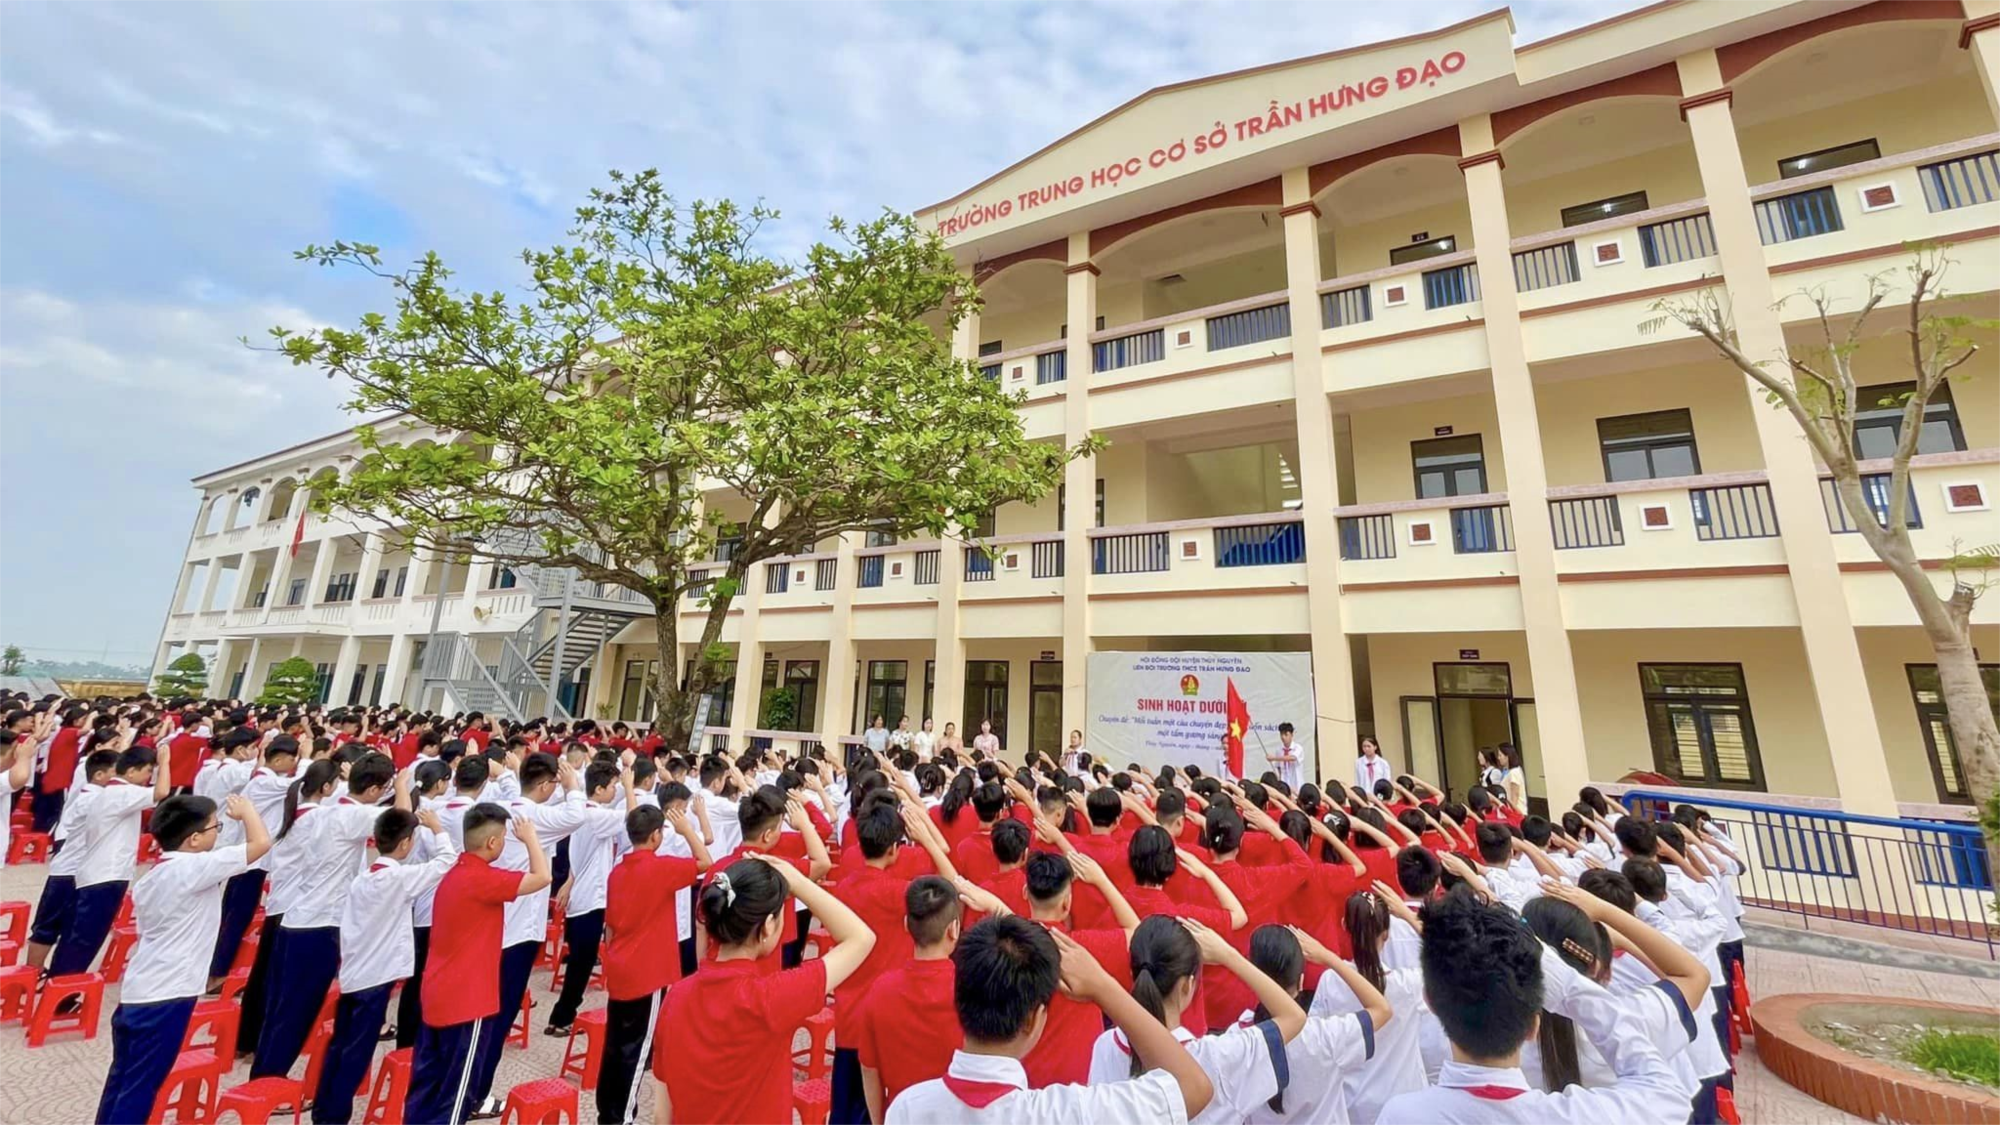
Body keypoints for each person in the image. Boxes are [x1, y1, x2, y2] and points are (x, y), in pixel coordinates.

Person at [1375, 887, 1691, 1125]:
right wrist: (1568, 987)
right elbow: (1667, 1093)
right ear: (1533, 1026)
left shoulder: (1401, 1115)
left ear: (1429, 1000)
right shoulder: (1581, 1116)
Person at [886, 915, 1215, 1123]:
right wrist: (1103, 988)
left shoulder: (908, 1109)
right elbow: (1193, 1087)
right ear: (1033, 1020)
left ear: (959, 1000)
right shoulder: (1067, 1113)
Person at [653, 853, 878, 1125]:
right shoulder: (770, 997)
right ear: (768, 926)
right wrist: (798, 882)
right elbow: (861, 937)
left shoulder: (676, 996)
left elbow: (661, 1115)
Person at [93, 792, 269, 1125]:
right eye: (215, 827)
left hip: (140, 991)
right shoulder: (194, 867)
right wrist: (247, 811)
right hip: (167, 994)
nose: (218, 832)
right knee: (141, 1088)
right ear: (194, 839)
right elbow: (260, 844)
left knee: (123, 1081)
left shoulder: (154, 876)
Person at [253, 751, 397, 1079]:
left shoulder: (324, 810)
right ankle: (269, 1083)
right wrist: (401, 787)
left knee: (281, 1009)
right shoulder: (352, 816)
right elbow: (399, 819)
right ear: (373, 790)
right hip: (319, 926)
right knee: (296, 1012)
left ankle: (263, 1076)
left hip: (297, 918)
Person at [405, 804, 550, 1125]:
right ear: (492, 843)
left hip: (437, 993)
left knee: (426, 1085)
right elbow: (543, 877)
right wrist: (530, 838)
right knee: (456, 1094)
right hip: (466, 1002)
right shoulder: (482, 879)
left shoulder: (454, 873)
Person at [313, 802, 457, 1125]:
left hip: (355, 974)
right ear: (405, 844)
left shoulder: (363, 878)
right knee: (356, 1053)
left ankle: (324, 1111)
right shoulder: (398, 878)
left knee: (340, 1046)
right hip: (375, 979)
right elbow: (446, 861)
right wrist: (438, 829)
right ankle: (333, 1117)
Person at [1086, 915, 1307, 1124]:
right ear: (1187, 985)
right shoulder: (1216, 1056)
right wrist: (1227, 955)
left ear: (1133, 974)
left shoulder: (1106, 1046)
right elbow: (1293, 1016)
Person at [598, 802, 711, 1125]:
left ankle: (608, 1113)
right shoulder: (660, 868)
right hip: (647, 972)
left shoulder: (618, 871)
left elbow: (610, 925)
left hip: (621, 966)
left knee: (615, 1045)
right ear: (656, 836)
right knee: (636, 1051)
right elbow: (706, 862)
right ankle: (622, 1118)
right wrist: (688, 830)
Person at [1243, 923, 1392, 1125]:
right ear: (1301, 981)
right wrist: (1330, 958)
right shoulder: (1325, 1035)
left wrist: (1230, 957)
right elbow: (1381, 1009)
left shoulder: (1239, 1039)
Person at [855, 876, 969, 1122]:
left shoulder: (881, 989)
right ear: (954, 929)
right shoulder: (970, 990)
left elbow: (868, 1068)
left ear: (907, 924)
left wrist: (879, 1120)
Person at [52, 742, 172, 978]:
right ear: (131, 772)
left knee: (77, 936)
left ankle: (59, 982)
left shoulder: (111, 792)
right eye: (148, 771)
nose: (149, 777)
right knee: (86, 938)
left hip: (98, 872)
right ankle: (65, 987)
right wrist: (165, 763)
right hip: (106, 875)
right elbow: (162, 792)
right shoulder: (123, 792)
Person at [1268, 722, 1303, 791]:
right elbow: (1278, 767)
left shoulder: (1298, 748)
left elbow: (1293, 758)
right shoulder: (1279, 750)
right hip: (1284, 784)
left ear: (1292, 735)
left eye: (1286, 734)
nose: (1283, 737)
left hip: (1296, 783)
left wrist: (1274, 758)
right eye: (1281, 734)